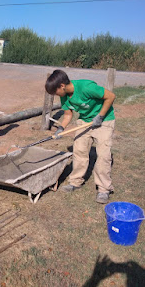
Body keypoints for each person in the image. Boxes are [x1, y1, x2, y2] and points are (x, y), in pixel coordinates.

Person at [45, 69, 116, 204]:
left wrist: (100, 116)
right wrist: (60, 128)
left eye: (55, 92)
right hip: (85, 120)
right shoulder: (64, 95)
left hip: (105, 119)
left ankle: (103, 189)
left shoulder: (86, 87)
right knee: (79, 150)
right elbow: (67, 114)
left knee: (103, 155)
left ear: (62, 86)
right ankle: (75, 181)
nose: (55, 95)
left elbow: (111, 96)